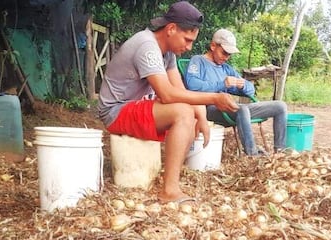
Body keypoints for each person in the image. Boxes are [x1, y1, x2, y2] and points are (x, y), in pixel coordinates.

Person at [97, 1, 238, 203]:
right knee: (182, 113)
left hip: (134, 107)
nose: (189, 47)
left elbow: (180, 90)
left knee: (190, 112)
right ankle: (169, 190)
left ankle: (172, 178)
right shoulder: (147, 46)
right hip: (115, 111)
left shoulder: (168, 52)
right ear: (171, 29)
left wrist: (203, 118)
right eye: (187, 40)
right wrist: (215, 98)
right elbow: (167, 95)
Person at [184, 29, 288, 156]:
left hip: (231, 108)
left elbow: (250, 90)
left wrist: (243, 85)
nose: (226, 57)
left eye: (229, 55)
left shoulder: (226, 68)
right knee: (242, 110)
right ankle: (252, 154)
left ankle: (280, 152)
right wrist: (222, 84)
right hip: (208, 108)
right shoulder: (198, 61)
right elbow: (192, 85)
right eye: (224, 53)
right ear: (213, 46)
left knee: (280, 106)